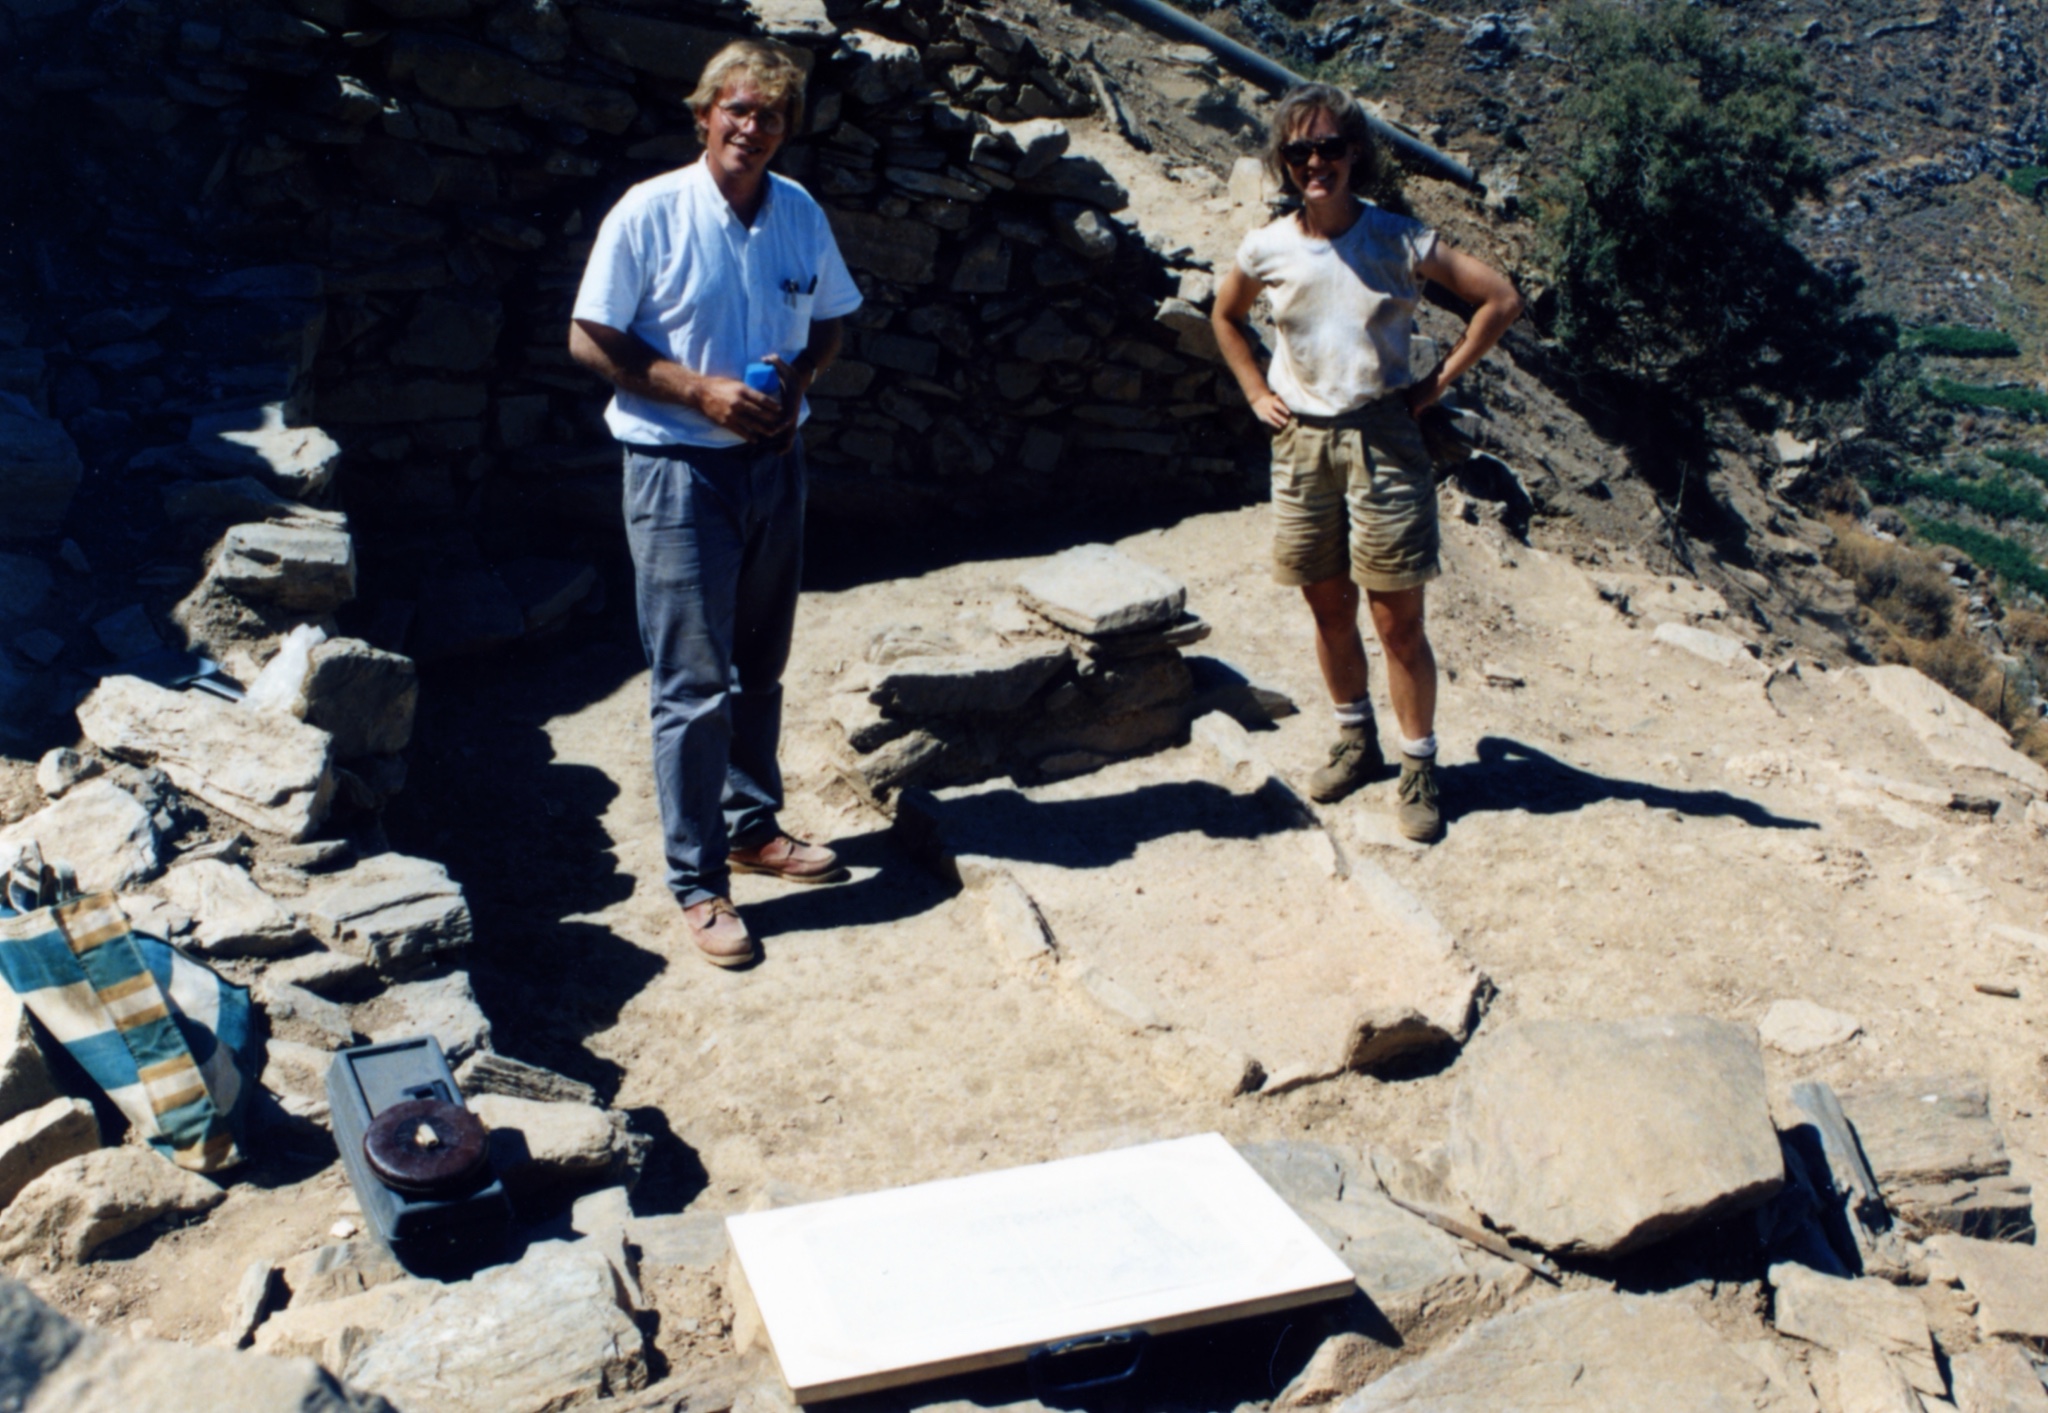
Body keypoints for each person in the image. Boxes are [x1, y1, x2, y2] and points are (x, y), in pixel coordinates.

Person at [569, 38, 862, 967]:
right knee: (692, 685)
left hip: (775, 464)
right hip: (676, 467)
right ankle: (699, 884)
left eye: (770, 115)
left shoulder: (799, 212)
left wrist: (795, 384)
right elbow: (589, 337)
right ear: (704, 115)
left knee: (760, 661)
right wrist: (702, 393)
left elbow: (832, 321)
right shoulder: (649, 212)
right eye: (737, 108)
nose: (752, 126)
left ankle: (749, 825)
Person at [1211, 84, 1522, 843]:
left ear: (1354, 152)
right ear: (1284, 162)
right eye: (1299, 151)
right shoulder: (1267, 247)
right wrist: (1256, 389)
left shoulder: (1396, 238)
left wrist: (1435, 385)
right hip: (1304, 442)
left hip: (1384, 435)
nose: (1315, 162)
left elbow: (1500, 299)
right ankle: (1357, 737)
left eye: (1328, 147)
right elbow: (1224, 314)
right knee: (1325, 603)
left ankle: (1419, 765)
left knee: (1397, 618)